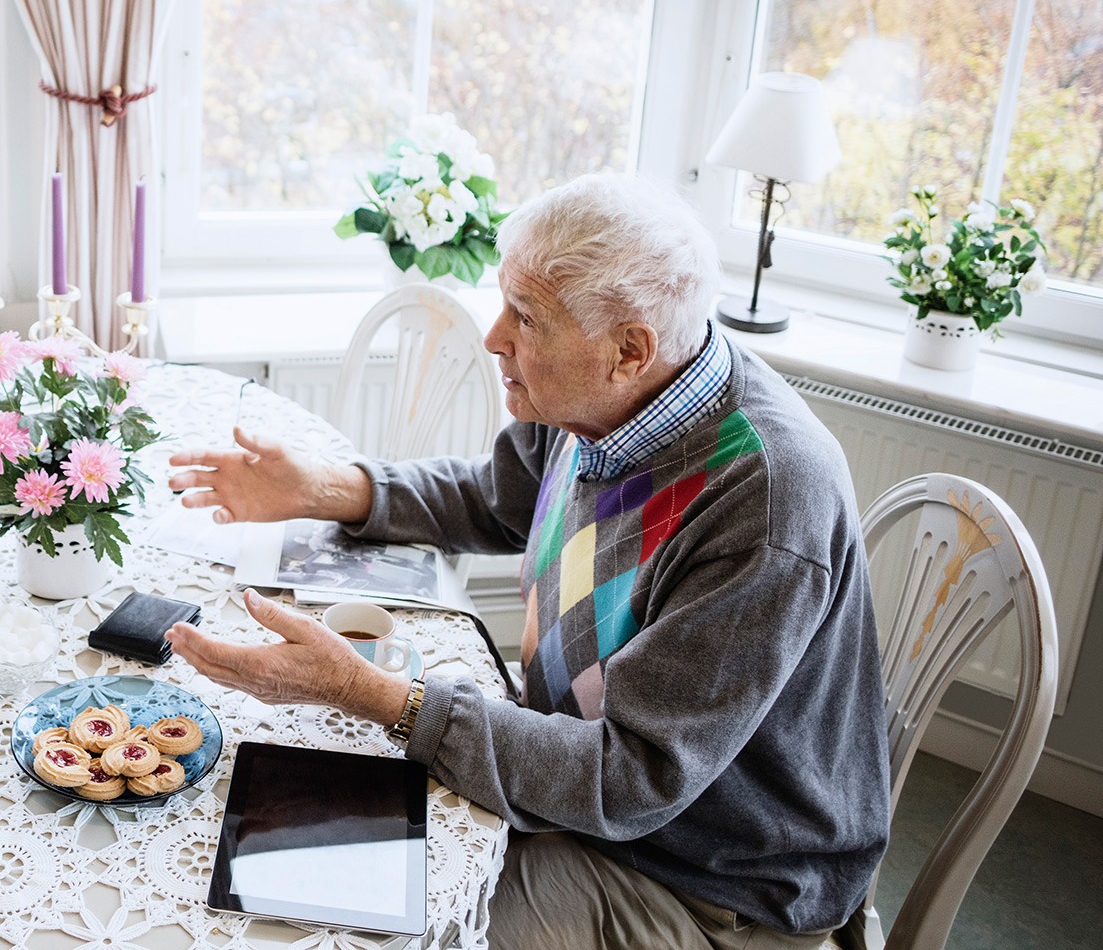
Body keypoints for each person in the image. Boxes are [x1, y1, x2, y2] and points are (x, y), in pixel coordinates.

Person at [166, 174, 889, 950]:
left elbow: (629, 779)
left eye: (527, 317)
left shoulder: (765, 498)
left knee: (385, 928)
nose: (493, 338)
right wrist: (325, 487)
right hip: (583, 780)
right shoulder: (609, 398)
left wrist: (370, 693)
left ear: (629, 350)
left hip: (707, 878)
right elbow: (497, 497)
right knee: (295, 844)